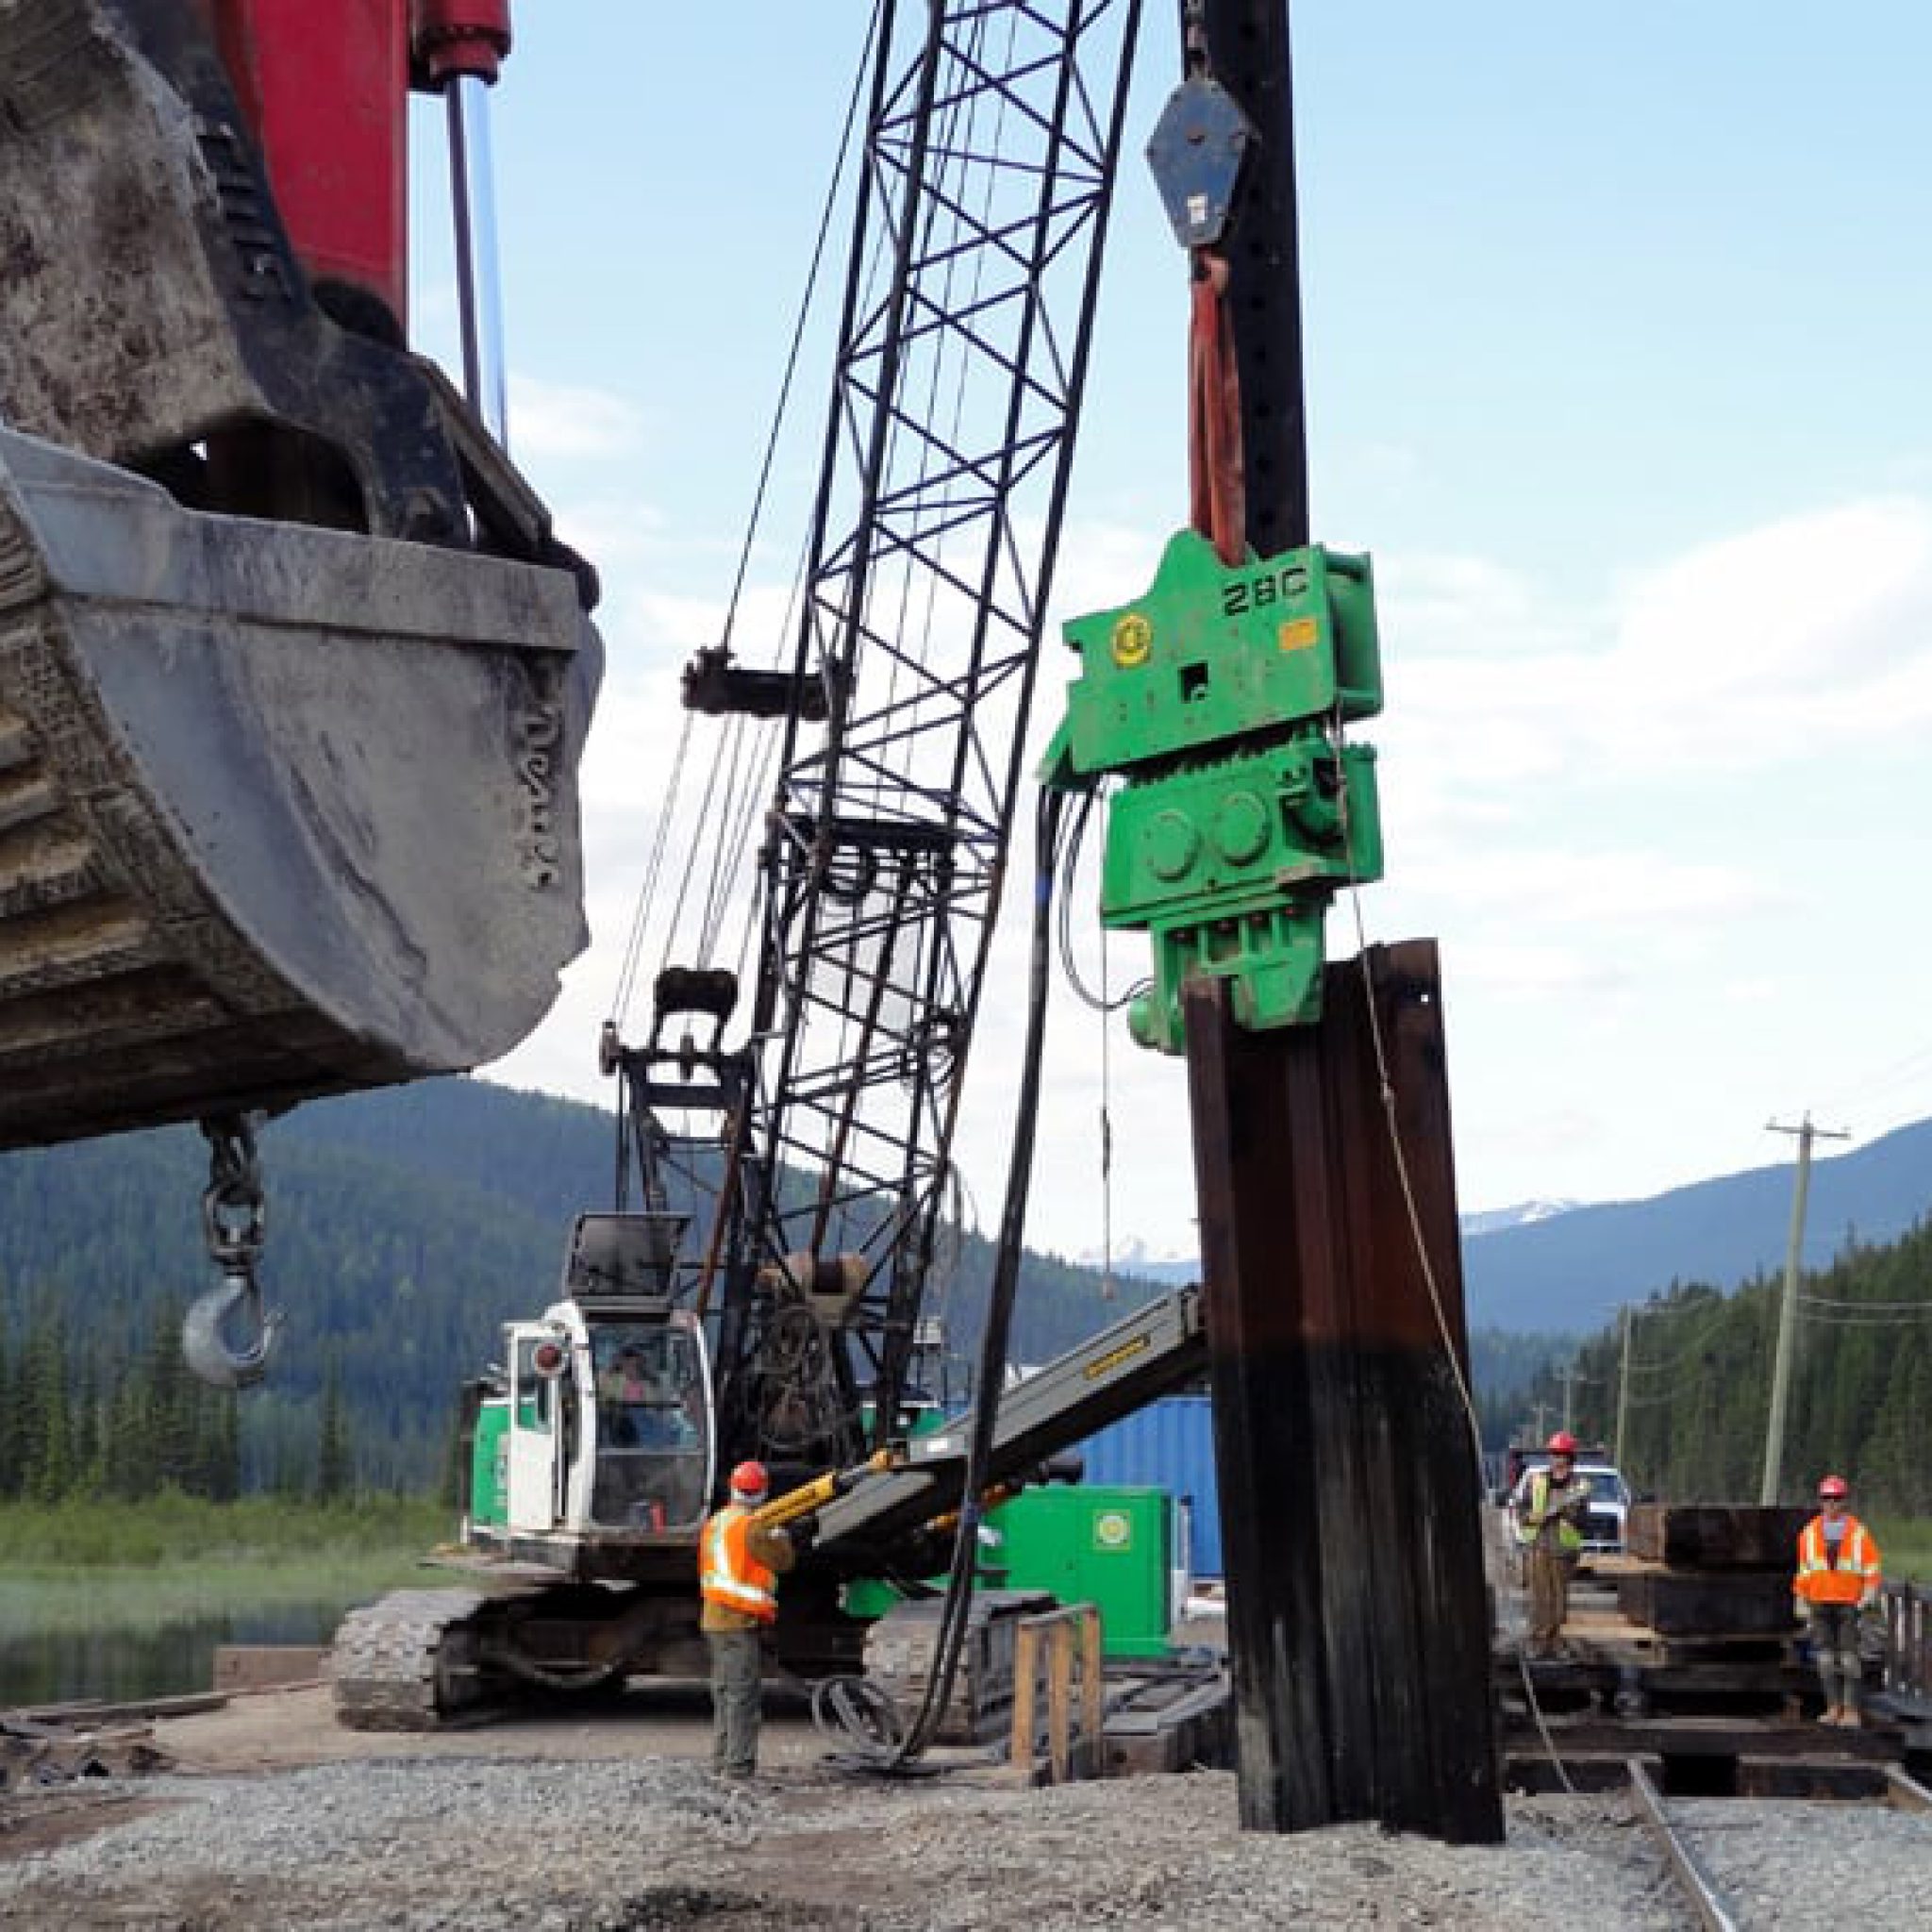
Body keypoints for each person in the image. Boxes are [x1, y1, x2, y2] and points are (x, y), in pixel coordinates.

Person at [699, 1459, 801, 1780]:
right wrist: (781, 1535)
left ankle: (722, 1762)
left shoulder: (718, 1521)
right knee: (743, 1697)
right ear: (762, 1491)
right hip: (739, 1619)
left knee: (725, 1693)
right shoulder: (753, 1526)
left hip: (715, 1617)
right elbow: (784, 1562)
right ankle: (738, 1768)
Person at [1792, 1473, 1883, 1727]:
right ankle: (1833, 1707)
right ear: (1820, 1501)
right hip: (1819, 1602)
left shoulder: (1858, 1533)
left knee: (1850, 1657)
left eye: (1837, 1498)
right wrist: (1800, 1597)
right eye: (1827, 1498)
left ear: (1845, 1501)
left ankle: (1851, 1710)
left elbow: (1872, 1568)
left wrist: (1869, 1594)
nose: (1832, 1503)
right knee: (1825, 1657)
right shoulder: (1808, 1534)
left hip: (1848, 1604)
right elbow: (1804, 1570)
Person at [1516, 1431, 1592, 1661]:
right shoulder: (1536, 1480)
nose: (1556, 1458)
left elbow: (1582, 1519)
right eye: (1553, 1453)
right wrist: (1531, 1517)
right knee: (1539, 1596)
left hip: (1563, 1550)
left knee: (1559, 1598)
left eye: (1561, 1454)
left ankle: (1557, 1642)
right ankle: (1537, 1642)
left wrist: (1564, 1511)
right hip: (1538, 1546)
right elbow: (1521, 1510)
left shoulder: (1579, 1485)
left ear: (1570, 1457)